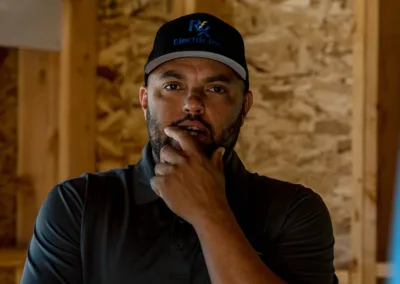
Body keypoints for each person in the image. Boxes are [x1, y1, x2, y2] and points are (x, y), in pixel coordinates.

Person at [21, 13, 338, 284]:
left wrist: (209, 213)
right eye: (173, 86)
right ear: (145, 100)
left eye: (215, 88)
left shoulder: (295, 211)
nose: (193, 104)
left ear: (245, 105)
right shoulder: (78, 206)